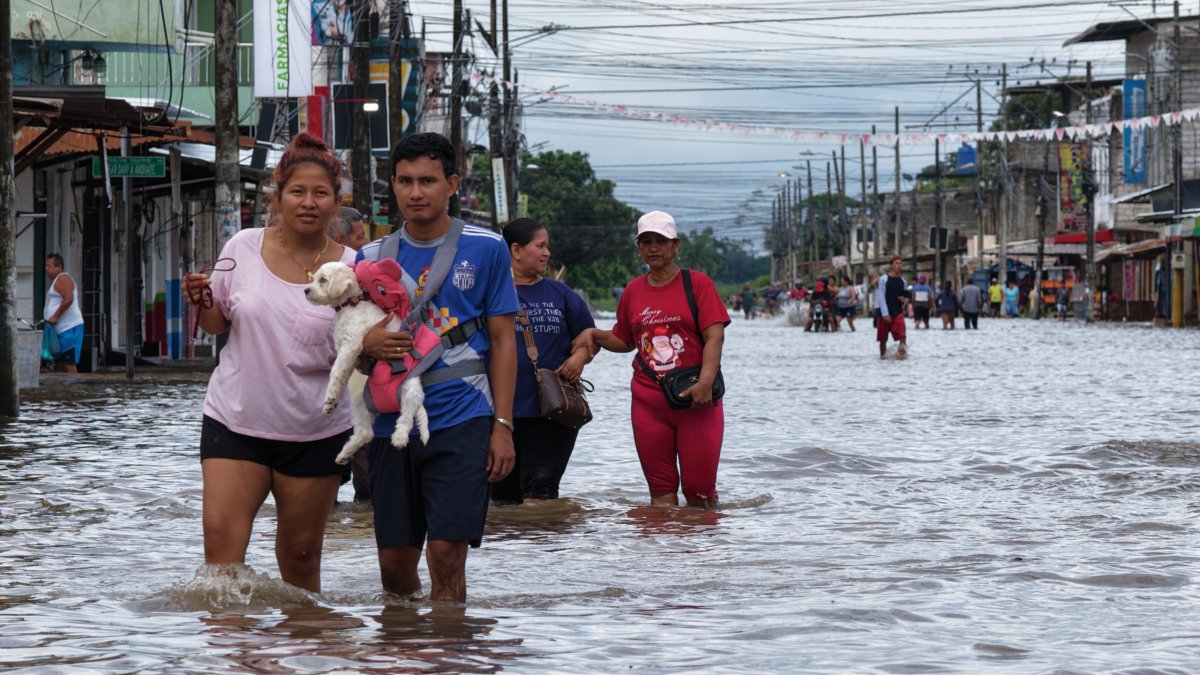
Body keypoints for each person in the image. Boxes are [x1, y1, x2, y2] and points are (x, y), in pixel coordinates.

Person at [182, 133, 357, 594]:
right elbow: (218, 324)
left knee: (300, 561)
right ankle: (232, 661)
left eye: (321, 193)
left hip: (314, 429)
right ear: (276, 196)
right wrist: (200, 301)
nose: (308, 202)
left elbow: (364, 348)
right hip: (235, 421)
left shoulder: (354, 270)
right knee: (220, 566)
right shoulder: (242, 246)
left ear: (336, 202)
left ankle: (303, 659)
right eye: (297, 191)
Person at [357, 132, 518, 603]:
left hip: (463, 415)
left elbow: (504, 339)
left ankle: (448, 652)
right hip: (392, 424)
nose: (415, 192)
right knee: (393, 566)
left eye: (427, 180)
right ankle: (407, 650)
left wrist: (503, 426)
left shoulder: (487, 248)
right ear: (393, 184)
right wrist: (369, 342)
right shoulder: (369, 260)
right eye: (404, 181)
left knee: (447, 552)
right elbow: (348, 344)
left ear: (452, 183)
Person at [572, 211, 729, 508]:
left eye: (661, 241)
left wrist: (706, 382)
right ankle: (659, 553)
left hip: (695, 398)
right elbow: (625, 340)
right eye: (646, 242)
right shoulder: (633, 290)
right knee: (660, 493)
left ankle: (702, 553)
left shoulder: (697, 284)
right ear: (639, 247)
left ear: (676, 245)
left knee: (700, 494)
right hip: (648, 400)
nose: (654, 247)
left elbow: (714, 337)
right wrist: (595, 334)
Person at [492, 217, 596, 505]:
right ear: (516, 250)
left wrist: (579, 357)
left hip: (552, 411)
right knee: (501, 498)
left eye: (547, 246)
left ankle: (545, 549)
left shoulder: (560, 293)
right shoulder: (490, 291)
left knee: (541, 491)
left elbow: (589, 335)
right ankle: (512, 551)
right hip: (499, 412)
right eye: (540, 246)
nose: (547, 253)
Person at [324, 206, 372, 503]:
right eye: (360, 236)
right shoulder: (327, 275)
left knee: (366, 480)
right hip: (326, 397)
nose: (364, 243)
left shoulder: (365, 272)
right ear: (341, 237)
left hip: (359, 386)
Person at [42, 253, 84, 373]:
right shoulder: (57, 281)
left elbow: (69, 299)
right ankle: (62, 390)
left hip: (69, 328)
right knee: (59, 364)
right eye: (45, 266)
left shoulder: (63, 278)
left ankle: (74, 389)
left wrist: (55, 316)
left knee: (67, 363)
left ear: (58, 266)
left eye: (49, 266)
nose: (46, 269)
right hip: (59, 330)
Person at [874, 256, 909, 358]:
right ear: (891, 265)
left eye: (901, 264)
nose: (899, 266)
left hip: (898, 312)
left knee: (903, 336)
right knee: (883, 340)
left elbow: (905, 296)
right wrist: (885, 314)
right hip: (884, 314)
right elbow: (880, 297)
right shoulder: (883, 279)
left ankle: (902, 357)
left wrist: (904, 300)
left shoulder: (903, 281)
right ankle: (883, 357)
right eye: (897, 263)